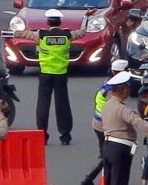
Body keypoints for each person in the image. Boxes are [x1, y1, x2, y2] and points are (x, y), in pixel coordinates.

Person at [12, 8, 95, 145]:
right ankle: (65, 136)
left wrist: (2, 33)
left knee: (43, 105)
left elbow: (23, 34)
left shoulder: (41, 35)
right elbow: (82, 32)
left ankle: (42, 135)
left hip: (45, 74)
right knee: (62, 104)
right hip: (61, 74)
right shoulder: (67, 35)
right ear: (60, 22)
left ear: (48, 22)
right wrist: (85, 17)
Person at [81, 59, 129, 185]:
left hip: (98, 123)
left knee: (106, 154)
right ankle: (90, 178)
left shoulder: (107, 83)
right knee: (109, 154)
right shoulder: (112, 89)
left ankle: (95, 179)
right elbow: (112, 109)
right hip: (105, 126)